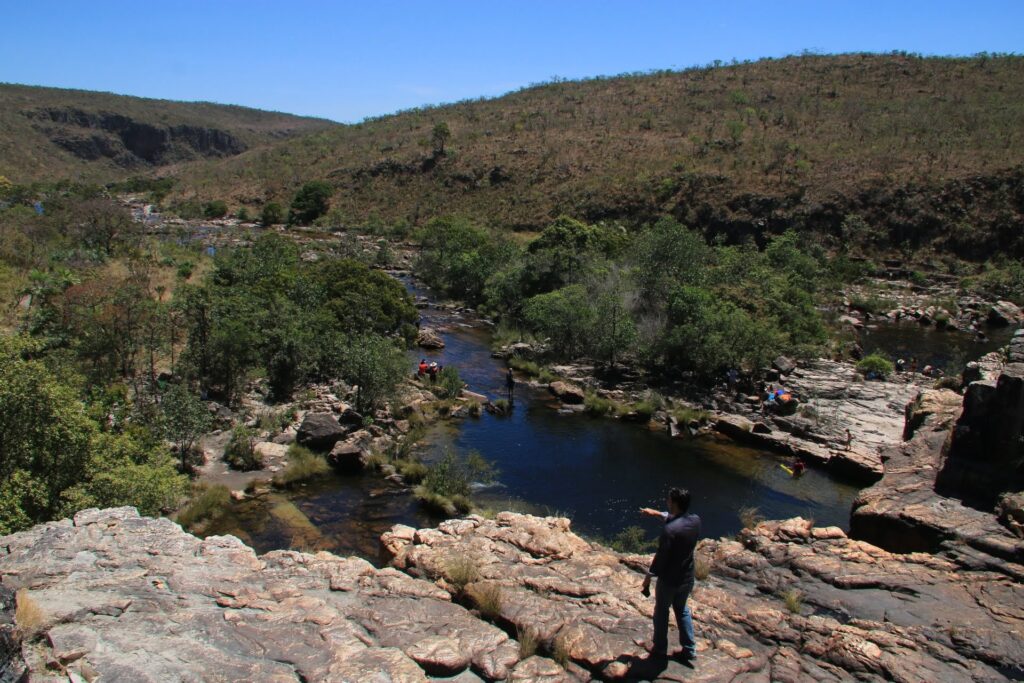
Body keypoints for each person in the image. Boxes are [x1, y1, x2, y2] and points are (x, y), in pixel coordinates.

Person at [639, 488, 700, 662]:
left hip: (669, 579)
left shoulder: (669, 531)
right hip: (687, 577)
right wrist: (655, 513)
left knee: (661, 611)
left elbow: (661, 558)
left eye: (668, 500)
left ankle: (659, 648)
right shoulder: (696, 521)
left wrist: (648, 578)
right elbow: (677, 520)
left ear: (674, 503)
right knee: (681, 610)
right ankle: (689, 649)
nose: (667, 501)